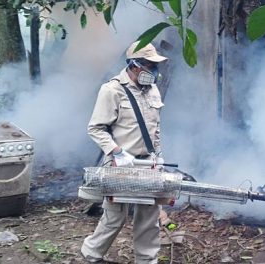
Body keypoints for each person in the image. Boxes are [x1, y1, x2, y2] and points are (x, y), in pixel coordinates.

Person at [81, 41, 167, 264]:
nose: (153, 71)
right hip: (120, 164)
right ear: (134, 65)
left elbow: (155, 128)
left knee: (149, 218)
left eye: (154, 66)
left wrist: (157, 156)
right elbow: (95, 128)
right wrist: (117, 152)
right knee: (114, 217)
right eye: (149, 65)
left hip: (148, 163)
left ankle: (147, 261)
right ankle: (91, 255)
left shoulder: (153, 89)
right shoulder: (111, 90)